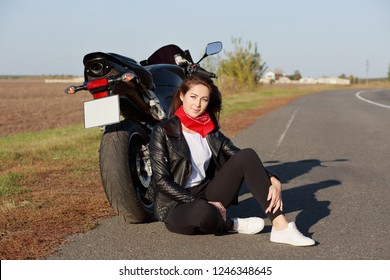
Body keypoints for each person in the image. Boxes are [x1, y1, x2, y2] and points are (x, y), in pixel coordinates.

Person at [147, 75, 315, 246]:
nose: (197, 104)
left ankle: (281, 227)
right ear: (182, 96)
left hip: (206, 192)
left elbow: (239, 157)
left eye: (204, 99)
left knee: (247, 155)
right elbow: (161, 180)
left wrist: (272, 178)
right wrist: (197, 202)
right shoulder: (162, 131)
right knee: (203, 211)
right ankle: (231, 224)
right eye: (193, 97)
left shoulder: (210, 130)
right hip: (176, 204)